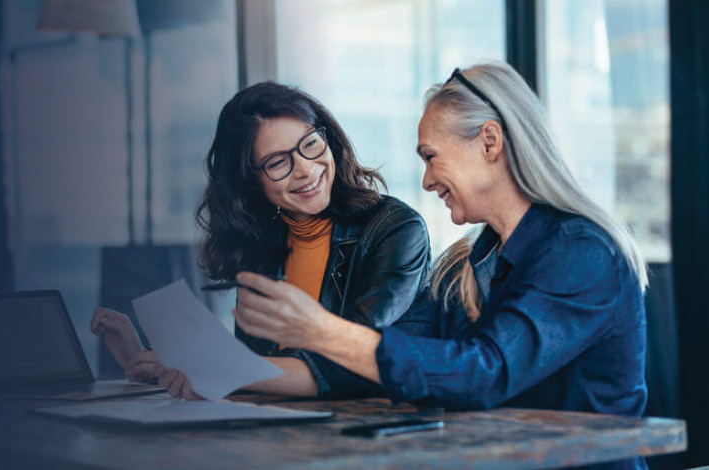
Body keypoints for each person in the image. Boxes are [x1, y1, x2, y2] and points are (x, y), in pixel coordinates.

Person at [228, 62, 649, 468]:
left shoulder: (584, 253)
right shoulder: (463, 266)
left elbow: (485, 373)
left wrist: (321, 330)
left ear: (489, 142)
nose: (427, 181)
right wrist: (215, 372)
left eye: (431, 157)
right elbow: (389, 363)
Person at [91, 81, 431, 399]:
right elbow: (257, 370)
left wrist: (215, 371)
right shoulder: (260, 245)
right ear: (250, 181)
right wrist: (161, 364)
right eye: (278, 162)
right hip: (285, 433)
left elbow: (352, 355)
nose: (305, 169)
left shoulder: (395, 228)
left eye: (311, 143)